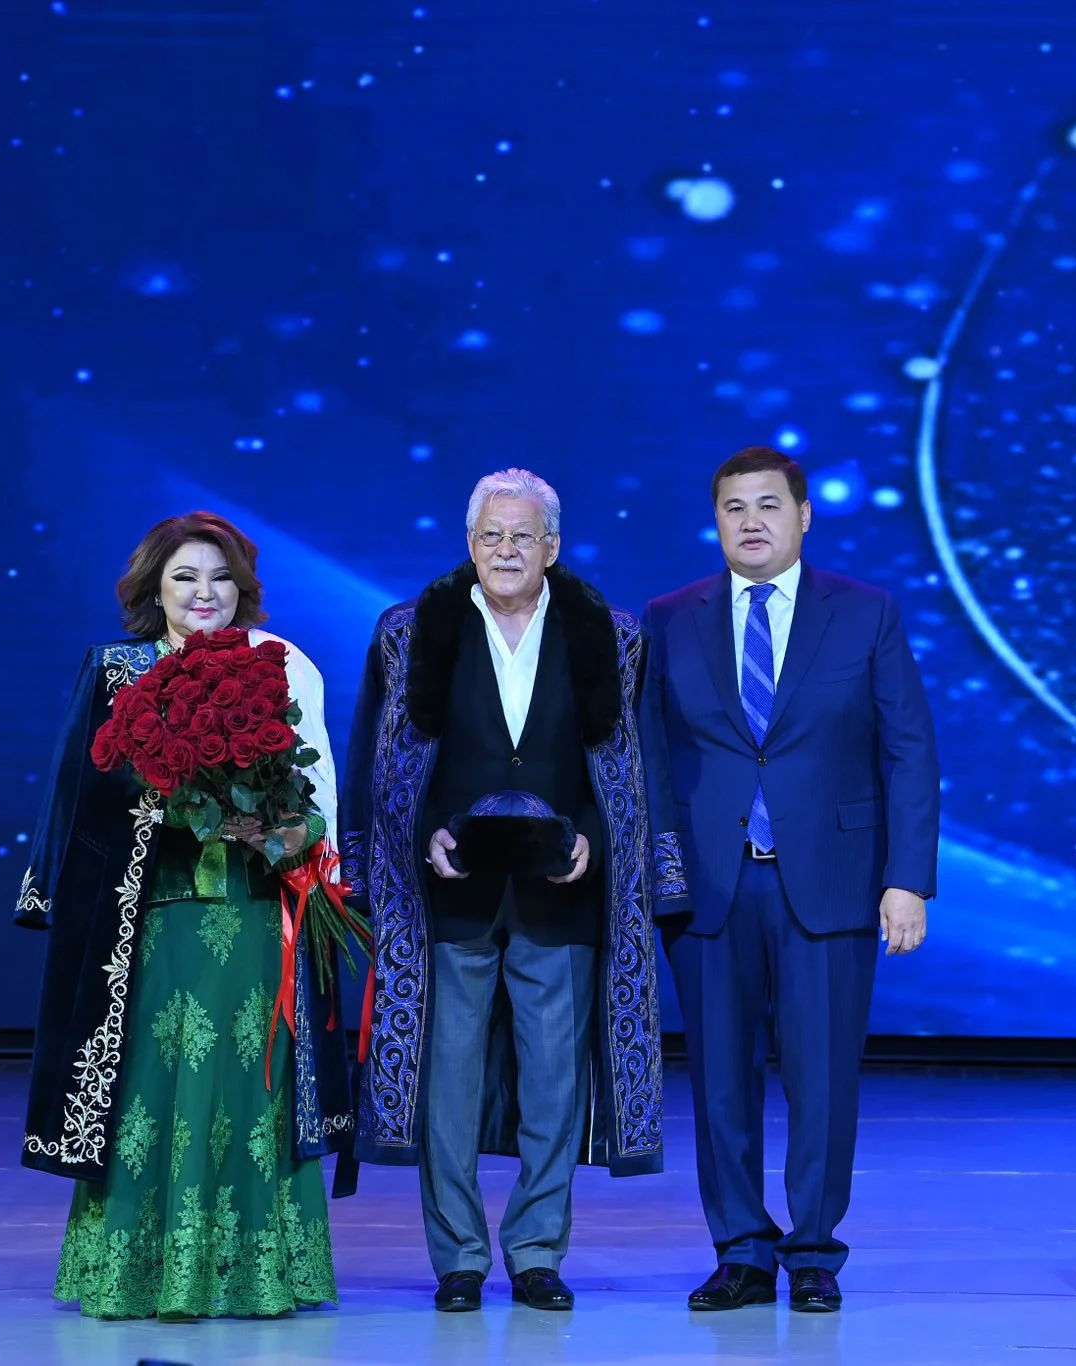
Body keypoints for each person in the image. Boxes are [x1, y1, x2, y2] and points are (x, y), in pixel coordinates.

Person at [341, 469, 685, 1313]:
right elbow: (377, 760)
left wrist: (594, 840)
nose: (505, 551)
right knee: (448, 1087)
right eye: (491, 535)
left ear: (551, 547)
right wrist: (424, 833)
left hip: (559, 891)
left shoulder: (610, 634)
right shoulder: (409, 631)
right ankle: (459, 1258)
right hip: (449, 894)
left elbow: (632, 764)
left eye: (522, 536)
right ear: (470, 543)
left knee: (554, 1087)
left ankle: (536, 1253)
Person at [16, 511, 356, 1320]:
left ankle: (253, 1272)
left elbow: (319, 804)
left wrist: (272, 829)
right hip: (149, 926)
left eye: (221, 578)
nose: (205, 593)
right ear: (154, 589)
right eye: (185, 578)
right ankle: (142, 1270)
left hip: (256, 919)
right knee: (151, 1087)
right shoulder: (115, 670)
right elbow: (78, 794)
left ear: (244, 588)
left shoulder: (280, 665)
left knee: (251, 1088)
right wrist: (168, 804)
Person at [642, 447, 940, 1314]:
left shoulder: (866, 612)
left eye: (769, 505)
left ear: (803, 516)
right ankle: (741, 1249)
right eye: (734, 507)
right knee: (720, 1083)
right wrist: (662, 875)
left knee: (824, 1078)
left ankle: (813, 1250)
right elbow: (650, 758)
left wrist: (907, 879)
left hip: (833, 883)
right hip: (711, 887)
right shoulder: (669, 618)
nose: (752, 522)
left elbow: (909, 751)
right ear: (716, 520)